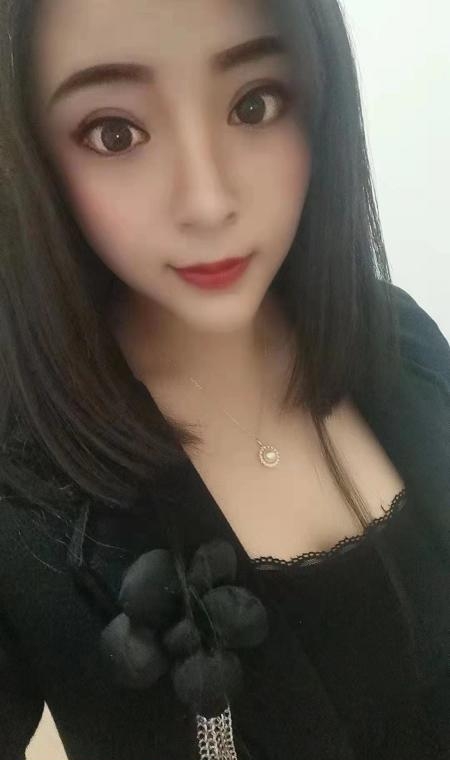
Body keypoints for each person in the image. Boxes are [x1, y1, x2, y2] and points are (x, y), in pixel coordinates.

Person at [0, 0, 449, 758]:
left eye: (254, 104)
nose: (207, 202)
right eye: (115, 133)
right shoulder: (22, 489)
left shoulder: (398, 336)